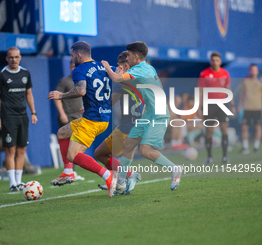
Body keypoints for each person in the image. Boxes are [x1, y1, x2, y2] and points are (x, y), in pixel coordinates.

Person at [101, 41, 182, 194]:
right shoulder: (147, 67)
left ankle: (175, 169)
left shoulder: (140, 69)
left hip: (157, 114)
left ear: (136, 56)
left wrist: (106, 66)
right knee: (129, 145)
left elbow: (117, 79)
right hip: (149, 113)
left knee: (145, 150)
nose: (128, 58)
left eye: (129, 55)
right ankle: (121, 182)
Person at [48, 41, 117, 198]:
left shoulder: (80, 69)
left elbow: (81, 90)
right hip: (101, 117)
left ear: (78, 54)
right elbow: (119, 74)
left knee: (73, 155)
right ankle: (68, 172)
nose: (72, 59)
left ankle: (108, 175)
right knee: (62, 133)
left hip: (91, 120)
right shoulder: (102, 66)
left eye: (72, 55)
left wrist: (61, 95)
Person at [94, 51, 142, 193]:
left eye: (119, 66)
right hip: (135, 126)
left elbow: (110, 102)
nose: (117, 69)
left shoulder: (123, 81)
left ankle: (126, 178)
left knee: (100, 153)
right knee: (105, 153)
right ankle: (121, 180)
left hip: (127, 127)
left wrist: (109, 70)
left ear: (125, 66)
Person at [0, 46, 38, 192]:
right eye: (11, 57)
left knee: (21, 149)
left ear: (20, 57)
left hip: (22, 116)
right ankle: (12, 183)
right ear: (7, 58)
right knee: (10, 149)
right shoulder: (1, 74)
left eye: (16, 57)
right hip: (8, 117)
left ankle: (19, 182)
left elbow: (29, 94)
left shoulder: (25, 73)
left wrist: (33, 112)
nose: (14, 60)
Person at [0, 100, 41, 175]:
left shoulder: (4, 108)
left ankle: (21, 168)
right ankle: (27, 169)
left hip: (6, 136)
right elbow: (0, 126)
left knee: (20, 144)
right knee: (16, 144)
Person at [198, 52, 235, 164]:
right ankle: (209, 157)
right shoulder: (204, 74)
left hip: (223, 105)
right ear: (210, 61)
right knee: (209, 131)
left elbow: (228, 89)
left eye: (217, 60)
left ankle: (224, 156)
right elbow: (200, 91)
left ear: (220, 61)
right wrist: (198, 107)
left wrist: (232, 106)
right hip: (210, 105)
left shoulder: (225, 73)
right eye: (213, 60)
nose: (215, 62)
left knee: (224, 129)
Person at [237, 64, 262, 153]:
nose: (253, 71)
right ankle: (245, 147)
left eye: (255, 70)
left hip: (257, 107)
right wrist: (240, 106)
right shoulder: (245, 80)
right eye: (252, 70)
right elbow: (242, 94)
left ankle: (256, 146)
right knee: (244, 127)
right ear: (249, 71)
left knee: (258, 127)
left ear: (257, 71)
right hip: (247, 107)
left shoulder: (260, 80)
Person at [54, 58, 83, 127]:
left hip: (79, 117)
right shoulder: (64, 81)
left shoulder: (82, 82)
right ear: (70, 68)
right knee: (68, 137)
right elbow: (56, 98)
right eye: (73, 67)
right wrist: (62, 114)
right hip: (68, 116)